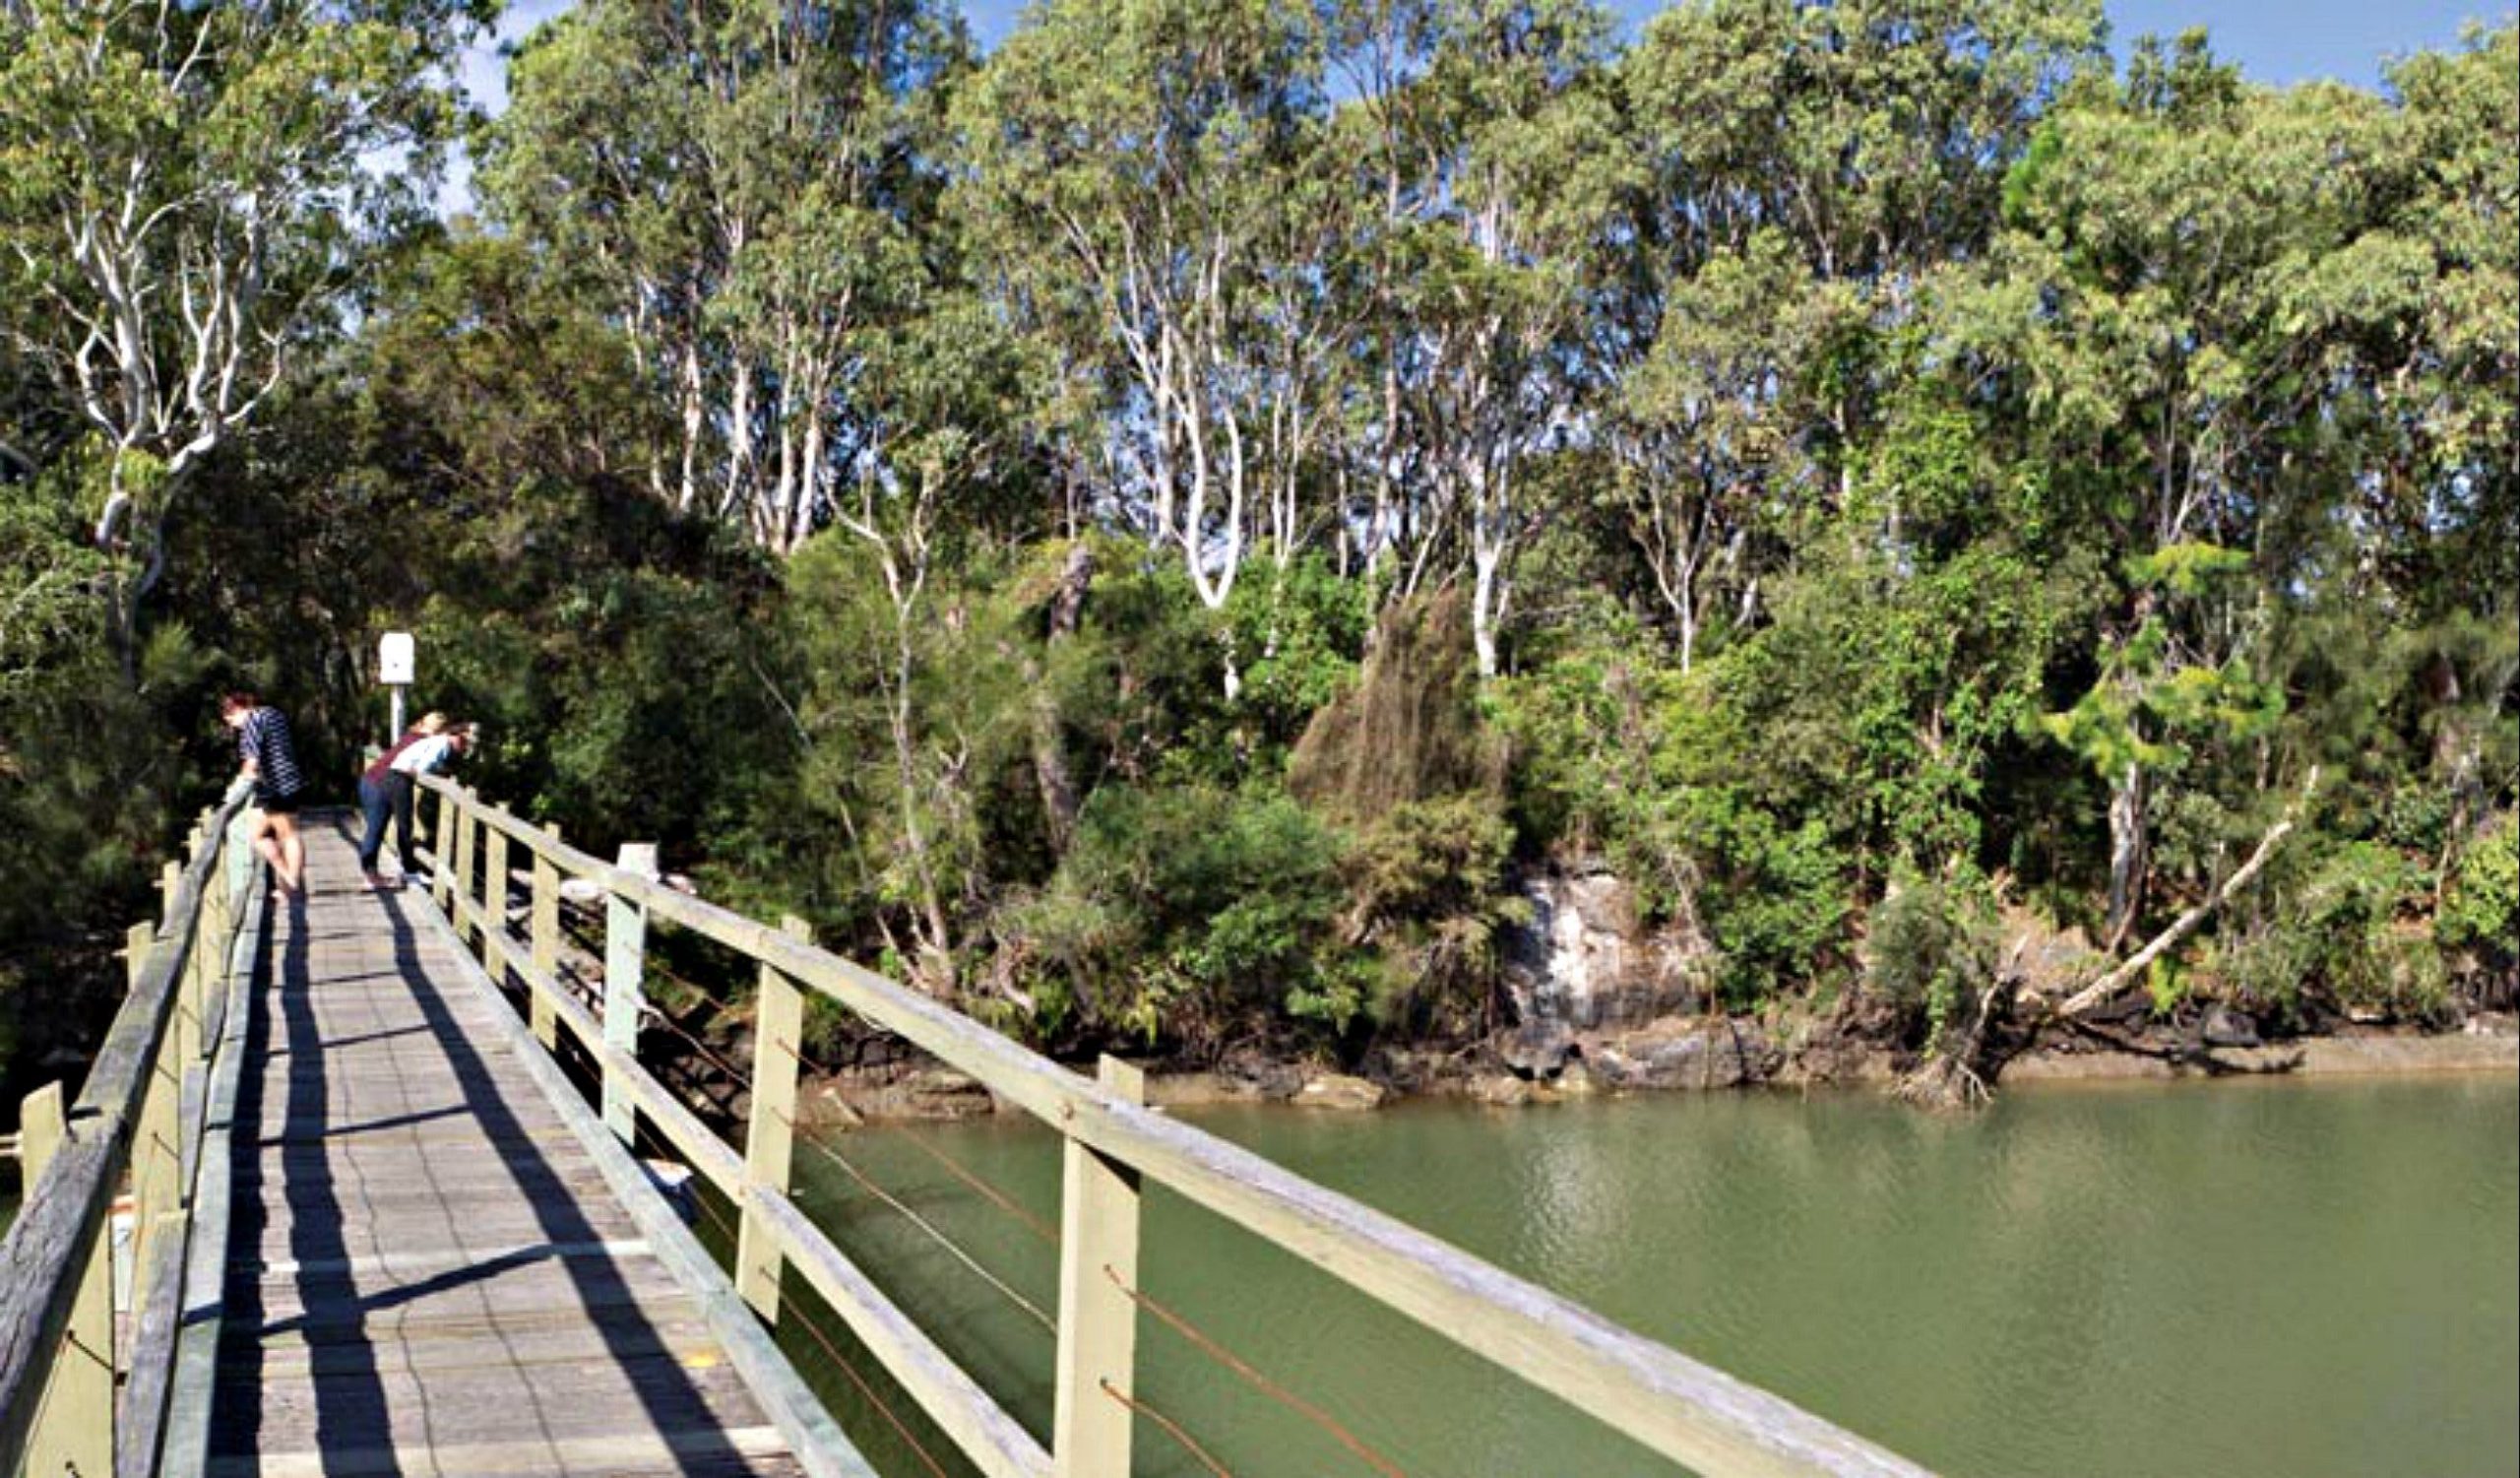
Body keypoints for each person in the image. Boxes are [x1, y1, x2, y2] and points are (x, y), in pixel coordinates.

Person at [220, 691, 308, 894]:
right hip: (289, 781)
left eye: (231, 721)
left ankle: (290, 881)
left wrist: (237, 786)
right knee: (263, 834)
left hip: (275, 786)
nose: (233, 727)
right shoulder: (272, 714)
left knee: (285, 836)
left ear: (236, 710)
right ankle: (289, 880)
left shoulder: (252, 722)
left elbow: (252, 761)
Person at [356, 711, 447, 889]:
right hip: (379, 783)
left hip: (372, 780)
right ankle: (371, 876)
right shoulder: (421, 740)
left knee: (376, 829)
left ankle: (373, 874)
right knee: (376, 829)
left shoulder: (411, 735)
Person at [386, 721, 476, 883]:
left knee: (404, 823)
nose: (464, 747)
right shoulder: (441, 745)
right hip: (399, 777)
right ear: (454, 736)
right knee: (404, 824)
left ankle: (406, 866)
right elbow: (421, 769)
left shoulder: (439, 741)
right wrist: (443, 777)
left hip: (398, 776)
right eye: (463, 742)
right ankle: (409, 871)